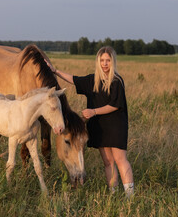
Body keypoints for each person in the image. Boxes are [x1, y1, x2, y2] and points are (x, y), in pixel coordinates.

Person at [44, 46, 134, 197]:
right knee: (107, 161)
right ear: (98, 62)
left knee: (120, 159)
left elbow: (115, 105)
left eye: (108, 60)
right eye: (102, 60)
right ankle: (113, 194)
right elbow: (74, 80)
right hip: (99, 127)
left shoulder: (117, 81)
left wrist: (93, 111)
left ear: (113, 62)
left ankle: (130, 196)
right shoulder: (93, 80)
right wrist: (55, 71)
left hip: (116, 125)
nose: (105, 64)